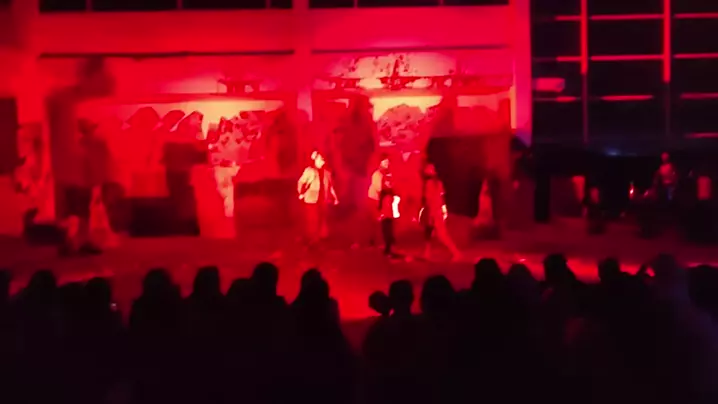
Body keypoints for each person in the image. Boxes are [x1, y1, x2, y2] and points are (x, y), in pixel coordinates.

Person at [420, 163, 461, 261]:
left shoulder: (430, 183)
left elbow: (430, 199)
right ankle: (427, 253)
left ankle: (456, 253)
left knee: (442, 235)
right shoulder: (437, 183)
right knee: (428, 232)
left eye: (428, 169)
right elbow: (441, 197)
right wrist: (443, 209)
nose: (426, 170)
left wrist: (431, 213)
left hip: (434, 211)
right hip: (435, 210)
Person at [297, 151, 338, 247]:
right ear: (315, 160)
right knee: (312, 220)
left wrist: (335, 198)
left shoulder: (327, 173)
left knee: (322, 219)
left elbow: (331, 187)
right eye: (320, 158)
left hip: (323, 199)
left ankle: (320, 238)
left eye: (323, 158)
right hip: (311, 199)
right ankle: (312, 239)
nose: (322, 160)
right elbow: (301, 182)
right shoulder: (310, 171)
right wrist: (300, 192)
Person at [361, 154, 391, 248]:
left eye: (388, 162)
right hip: (373, 199)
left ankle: (374, 240)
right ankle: (372, 240)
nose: (387, 164)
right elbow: (379, 188)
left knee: (377, 220)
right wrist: (387, 188)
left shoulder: (384, 174)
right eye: (385, 162)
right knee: (376, 220)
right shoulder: (377, 174)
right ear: (380, 163)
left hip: (378, 199)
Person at [377, 173, 400, 258]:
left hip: (389, 215)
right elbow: (381, 205)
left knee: (388, 231)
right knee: (386, 231)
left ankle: (389, 248)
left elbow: (393, 204)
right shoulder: (384, 194)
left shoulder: (391, 194)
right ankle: (388, 248)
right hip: (385, 215)